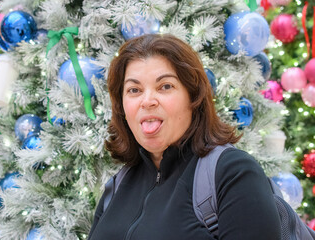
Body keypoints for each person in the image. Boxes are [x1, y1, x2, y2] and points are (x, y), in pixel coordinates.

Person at [88, 34, 281, 240]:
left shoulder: (233, 172)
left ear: (193, 98)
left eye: (165, 86)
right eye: (134, 90)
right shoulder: (118, 185)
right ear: (123, 106)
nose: (147, 101)